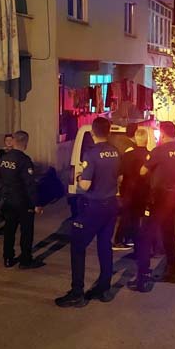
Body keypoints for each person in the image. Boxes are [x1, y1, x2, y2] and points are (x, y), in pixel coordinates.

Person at [55, 117, 121, 308]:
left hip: (94, 205)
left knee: (77, 246)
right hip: (111, 204)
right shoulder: (115, 152)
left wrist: (78, 178)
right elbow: (120, 178)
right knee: (104, 246)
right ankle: (104, 289)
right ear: (109, 131)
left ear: (92, 132)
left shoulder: (91, 154)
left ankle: (77, 293)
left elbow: (84, 185)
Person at [129, 121, 175, 292]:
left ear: (162, 134)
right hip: (173, 197)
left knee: (145, 236)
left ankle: (142, 278)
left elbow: (143, 171)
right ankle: (172, 270)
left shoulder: (159, 151)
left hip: (158, 198)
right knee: (169, 233)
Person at [0, 130, 44, 269]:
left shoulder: (4, 158)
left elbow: (2, 179)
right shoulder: (24, 160)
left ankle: (8, 258)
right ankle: (25, 260)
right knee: (26, 232)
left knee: (9, 230)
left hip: (8, 200)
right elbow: (30, 184)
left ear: (13, 141)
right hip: (23, 202)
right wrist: (36, 203)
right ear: (26, 142)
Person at [113, 127, 150, 251]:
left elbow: (120, 175)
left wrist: (120, 189)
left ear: (135, 139)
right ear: (147, 140)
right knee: (137, 217)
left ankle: (121, 240)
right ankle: (128, 240)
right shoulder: (150, 155)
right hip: (143, 191)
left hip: (128, 190)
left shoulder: (127, 155)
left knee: (127, 215)